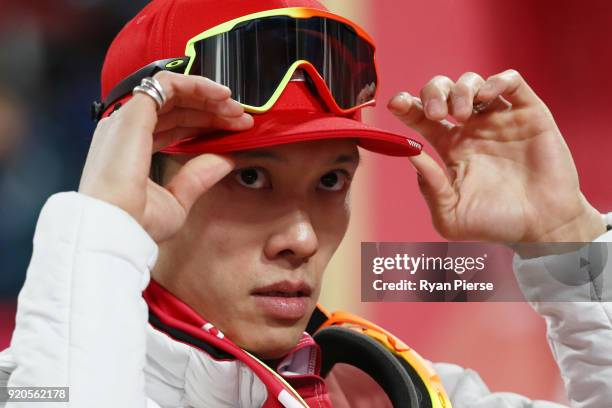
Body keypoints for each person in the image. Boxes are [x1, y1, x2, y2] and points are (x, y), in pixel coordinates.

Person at [1, 0, 612, 407]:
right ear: (140, 177)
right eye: (250, 178)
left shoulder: (397, 391)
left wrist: (569, 236)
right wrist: (103, 229)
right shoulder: (36, 382)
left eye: (330, 182)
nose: (301, 236)